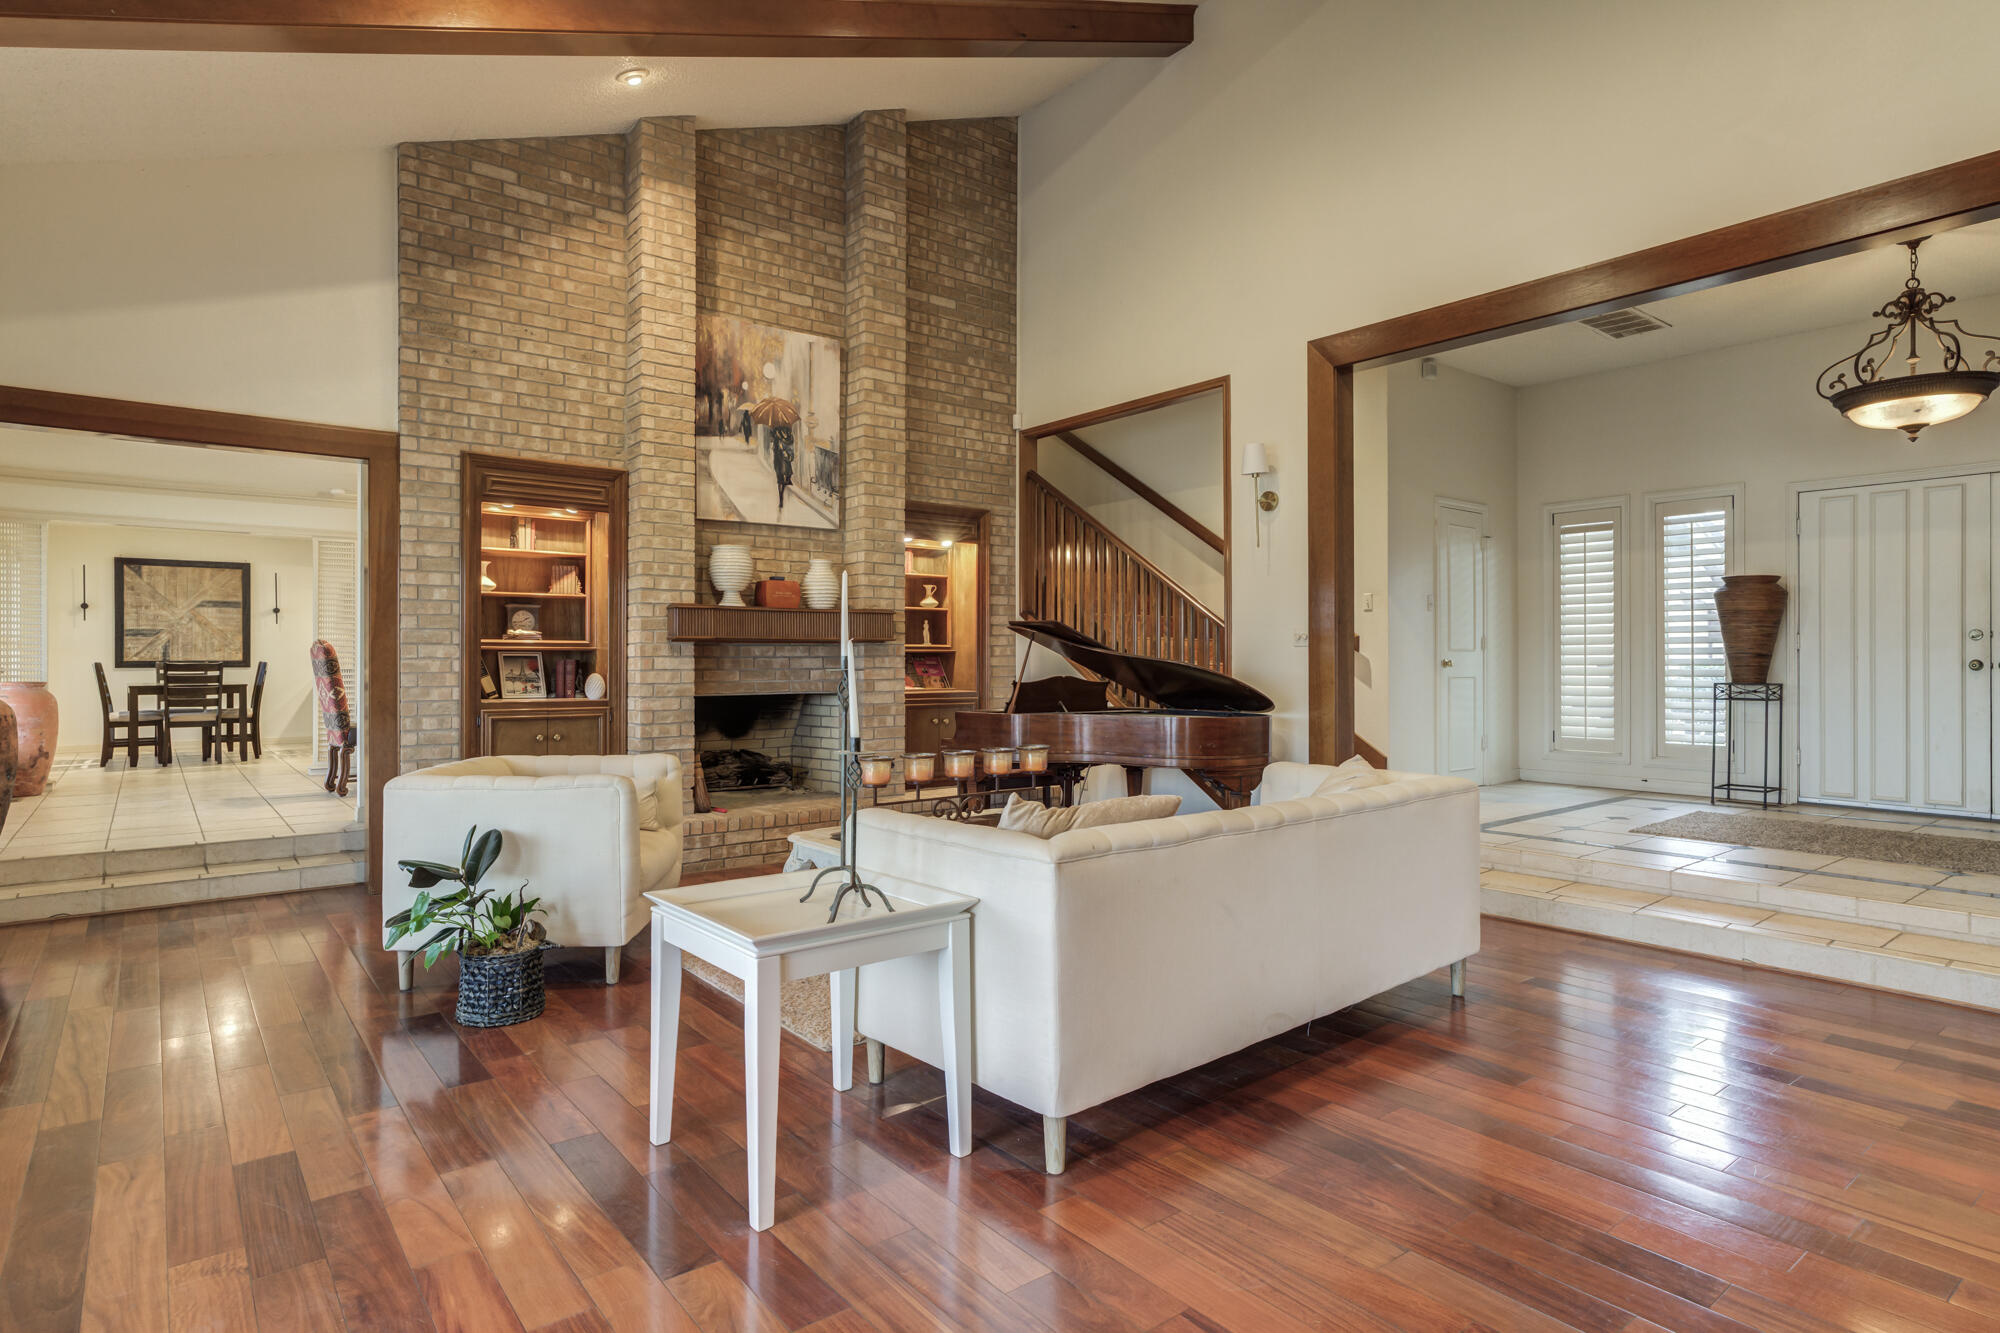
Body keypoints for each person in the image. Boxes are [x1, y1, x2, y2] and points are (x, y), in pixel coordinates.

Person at [770, 423, 796, 514]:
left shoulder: (789, 438)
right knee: (780, 480)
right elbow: (774, 448)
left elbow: (791, 452)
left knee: (785, 479)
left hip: (785, 461)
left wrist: (786, 453)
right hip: (778, 461)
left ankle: (783, 488)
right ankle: (781, 497)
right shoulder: (776, 434)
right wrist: (776, 445)